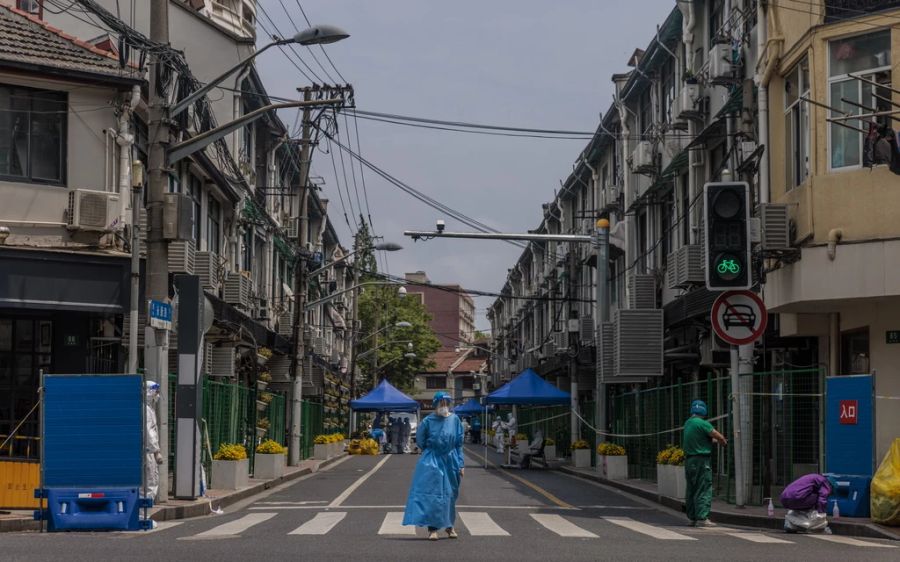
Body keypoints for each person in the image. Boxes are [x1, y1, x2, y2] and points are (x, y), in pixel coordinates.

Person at [403, 392, 464, 541]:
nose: (444, 407)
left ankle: (449, 526)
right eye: (441, 404)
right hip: (432, 459)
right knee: (433, 494)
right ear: (435, 404)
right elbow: (420, 440)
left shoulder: (455, 420)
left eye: (446, 403)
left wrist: (461, 464)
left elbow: (458, 443)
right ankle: (433, 529)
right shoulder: (428, 421)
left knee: (450, 494)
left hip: (451, 460)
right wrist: (430, 451)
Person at [682, 399, 727, 527]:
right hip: (701, 460)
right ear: (704, 411)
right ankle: (703, 517)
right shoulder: (703, 423)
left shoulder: (688, 423)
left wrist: (713, 441)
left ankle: (692, 517)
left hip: (689, 460)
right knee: (703, 488)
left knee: (691, 488)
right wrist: (723, 441)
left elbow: (700, 439)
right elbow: (716, 434)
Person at [144, 381, 163, 502]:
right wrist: (156, 451)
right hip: (148, 451)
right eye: (156, 392)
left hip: (147, 450)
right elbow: (149, 432)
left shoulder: (149, 408)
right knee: (150, 482)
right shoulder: (146, 409)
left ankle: (144, 515)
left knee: (149, 481)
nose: (157, 395)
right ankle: (143, 516)